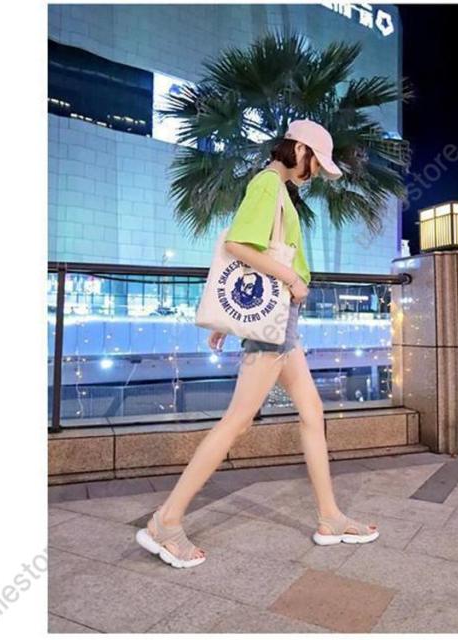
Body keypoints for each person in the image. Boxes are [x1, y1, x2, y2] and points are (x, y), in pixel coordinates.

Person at [135, 119, 379, 569]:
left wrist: (233, 323)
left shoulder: (277, 189)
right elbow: (239, 245)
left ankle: (330, 517)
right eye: (315, 163)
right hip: (277, 324)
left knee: (312, 412)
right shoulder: (268, 185)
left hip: (281, 322)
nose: (314, 174)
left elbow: (252, 264)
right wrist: (291, 279)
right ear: (300, 149)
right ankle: (165, 522)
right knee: (237, 421)